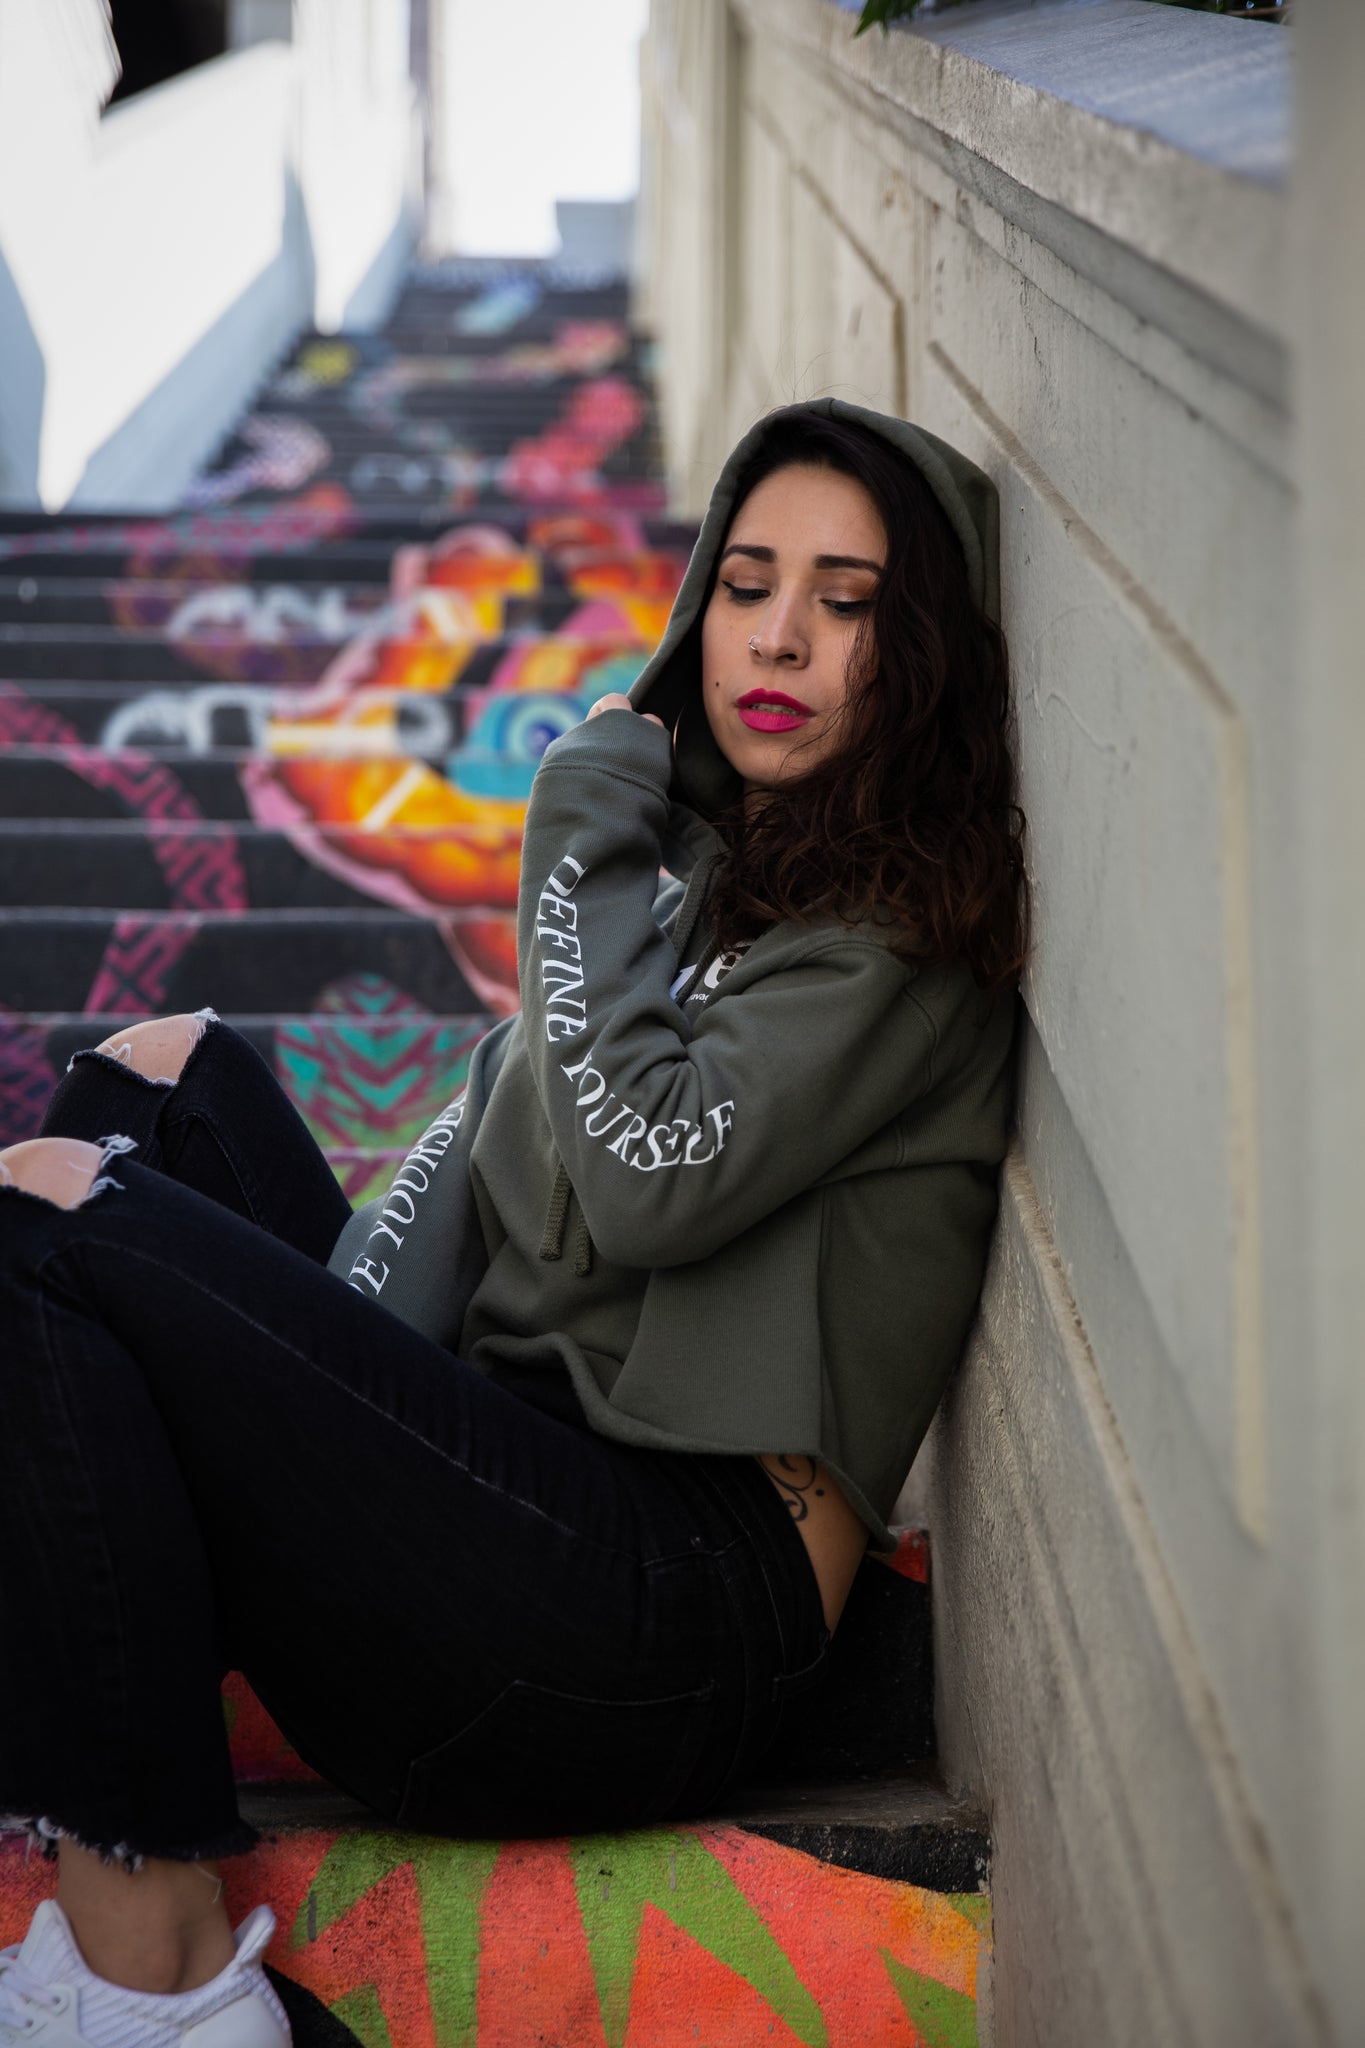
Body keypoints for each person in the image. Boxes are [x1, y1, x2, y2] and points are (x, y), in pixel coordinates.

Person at [0, 399, 1027, 2048]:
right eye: (748, 583)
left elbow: (635, 1173)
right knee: (159, 1078)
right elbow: (505, 1178)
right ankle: (75, 1681)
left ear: (919, 651)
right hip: (523, 1510)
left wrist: (570, 829)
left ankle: (156, 1968)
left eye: (843, 604)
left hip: (652, 1624)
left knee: (53, 1228)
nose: (774, 636)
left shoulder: (894, 942)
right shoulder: (699, 884)